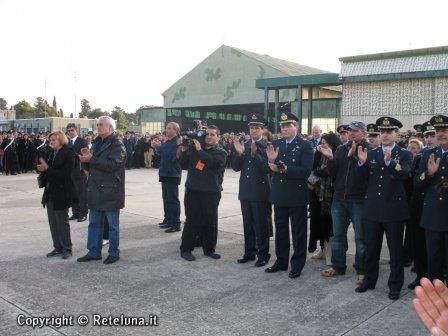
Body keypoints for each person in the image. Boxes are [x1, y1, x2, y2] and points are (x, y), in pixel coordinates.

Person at [355, 116, 412, 300]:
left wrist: (389, 163)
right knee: (371, 248)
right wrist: (362, 164)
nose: (385, 135)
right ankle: (369, 280)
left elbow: (404, 174)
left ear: (397, 134)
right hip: (373, 209)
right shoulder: (371, 153)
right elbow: (363, 179)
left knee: (395, 251)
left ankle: (395, 285)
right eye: (383, 132)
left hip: (393, 210)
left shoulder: (404, 154)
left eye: (389, 131)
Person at [319, 121, 372, 285]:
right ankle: (338, 266)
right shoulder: (341, 149)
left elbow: (368, 175)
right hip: (339, 198)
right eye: (350, 131)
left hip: (359, 200)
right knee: (338, 236)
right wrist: (330, 159)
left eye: (355, 131)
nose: (351, 133)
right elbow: (333, 173)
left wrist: (355, 156)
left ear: (364, 133)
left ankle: (362, 269)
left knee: (361, 238)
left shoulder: (370, 150)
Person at [264, 112, 313, 279]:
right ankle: (281, 261)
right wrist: (270, 162)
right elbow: (269, 167)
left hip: (297, 194)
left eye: (288, 125)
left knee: (298, 232)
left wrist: (285, 169)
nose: (285, 128)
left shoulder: (305, 145)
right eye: (282, 126)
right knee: (281, 231)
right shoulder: (276, 143)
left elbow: (306, 171)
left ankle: (297, 264)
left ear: (296, 126)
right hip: (279, 194)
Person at [77, 116, 126, 265]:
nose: (98, 127)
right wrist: (85, 161)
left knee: (112, 226)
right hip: (96, 188)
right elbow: (94, 164)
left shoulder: (117, 144)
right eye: (97, 125)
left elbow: (114, 165)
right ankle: (94, 252)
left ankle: (113, 253)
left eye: (101, 125)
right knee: (94, 224)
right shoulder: (98, 142)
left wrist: (91, 159)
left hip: (111, 190)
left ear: (110, 128)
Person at [177, 125, 227, 261]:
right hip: (193, 191)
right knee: (191, 221)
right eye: (207, 134)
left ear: (218, 137)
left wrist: (199, 150)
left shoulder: (221, 152)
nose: (209, 137)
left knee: (210, 222)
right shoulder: (195, 149)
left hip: (211, 192)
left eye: (212, 134)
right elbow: (183, 164)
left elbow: (212, 163)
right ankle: (186, 249)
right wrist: (183, 150)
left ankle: (209, 249)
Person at [232, 113, 271, 267]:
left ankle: (263, 254)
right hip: (246, 191)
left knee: (261, 225)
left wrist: (255, 155)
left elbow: (267, 168)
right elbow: (235, 167)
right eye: (252, 128)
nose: (254, 131)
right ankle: (250, 252)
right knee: (247, 224)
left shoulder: (267, 145)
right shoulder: (246, 144)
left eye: (257, 128)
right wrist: (240, 154)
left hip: (260, 191)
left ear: (263, 130)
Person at [415, 114, 448, 282]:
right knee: (433, 260)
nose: (440, 134)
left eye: (444, 130)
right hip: (433, 215)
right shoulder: (430, 154)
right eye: (438, 130)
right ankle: (435, 293)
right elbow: (417, 184)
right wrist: (429, 173)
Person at [407, 121, 438, 289]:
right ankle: (421, 275)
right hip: (419, 205)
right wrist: (429, 174)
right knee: (418, 244)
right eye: (427, 136)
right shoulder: (422, 156)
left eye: (433, 135)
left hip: (437, 207)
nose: (430, 139)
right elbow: (416, 182)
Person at [37, 131, 76, 260]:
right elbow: (49, 171)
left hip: (62, 192)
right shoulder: (50, 153)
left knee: (62, 221)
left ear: (61, 139)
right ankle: (57, 247)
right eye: (50, 140)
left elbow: (65, 174)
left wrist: (47, 168)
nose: (51, 142)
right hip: (50, 191)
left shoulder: (69, 153)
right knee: (53, 222)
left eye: (54, 139)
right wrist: (43, 169)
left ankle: (67, 248)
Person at [309, 132, 341, 265]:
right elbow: (313, 169)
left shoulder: (337, 155)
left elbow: (329, 172)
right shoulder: (318, 154)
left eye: (324, 144)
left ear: (332, 145)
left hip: (331, 195)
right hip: (317, 193)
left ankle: (330, 252)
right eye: (320, 144)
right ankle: (322, 248)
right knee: (317, 222)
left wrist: (319, 172)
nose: (321, 146)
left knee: (329, 224)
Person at [151, 122, 182, 233]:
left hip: (172, 173)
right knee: (166, 198)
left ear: (175, 130)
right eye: (166, 128)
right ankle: (168, 219)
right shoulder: (167, 141)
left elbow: (171, 157)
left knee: (173, 199)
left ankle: (176, 223)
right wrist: (156, 148)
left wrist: (159, 147)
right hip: (165, 172)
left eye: (169, 128)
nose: (166, 130)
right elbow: (161, 154)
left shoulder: (177, 142)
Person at [66, 123, 88, 222]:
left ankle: (83, 213)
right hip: (70, 171)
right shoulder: (67, 143)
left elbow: (85, 155)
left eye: (72, 130)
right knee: (73, 193)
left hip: (80, 170)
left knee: (81, 193)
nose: (70, 132)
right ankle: (75, 213)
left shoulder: (82, 141)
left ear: (76, 131)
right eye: (69, 131)